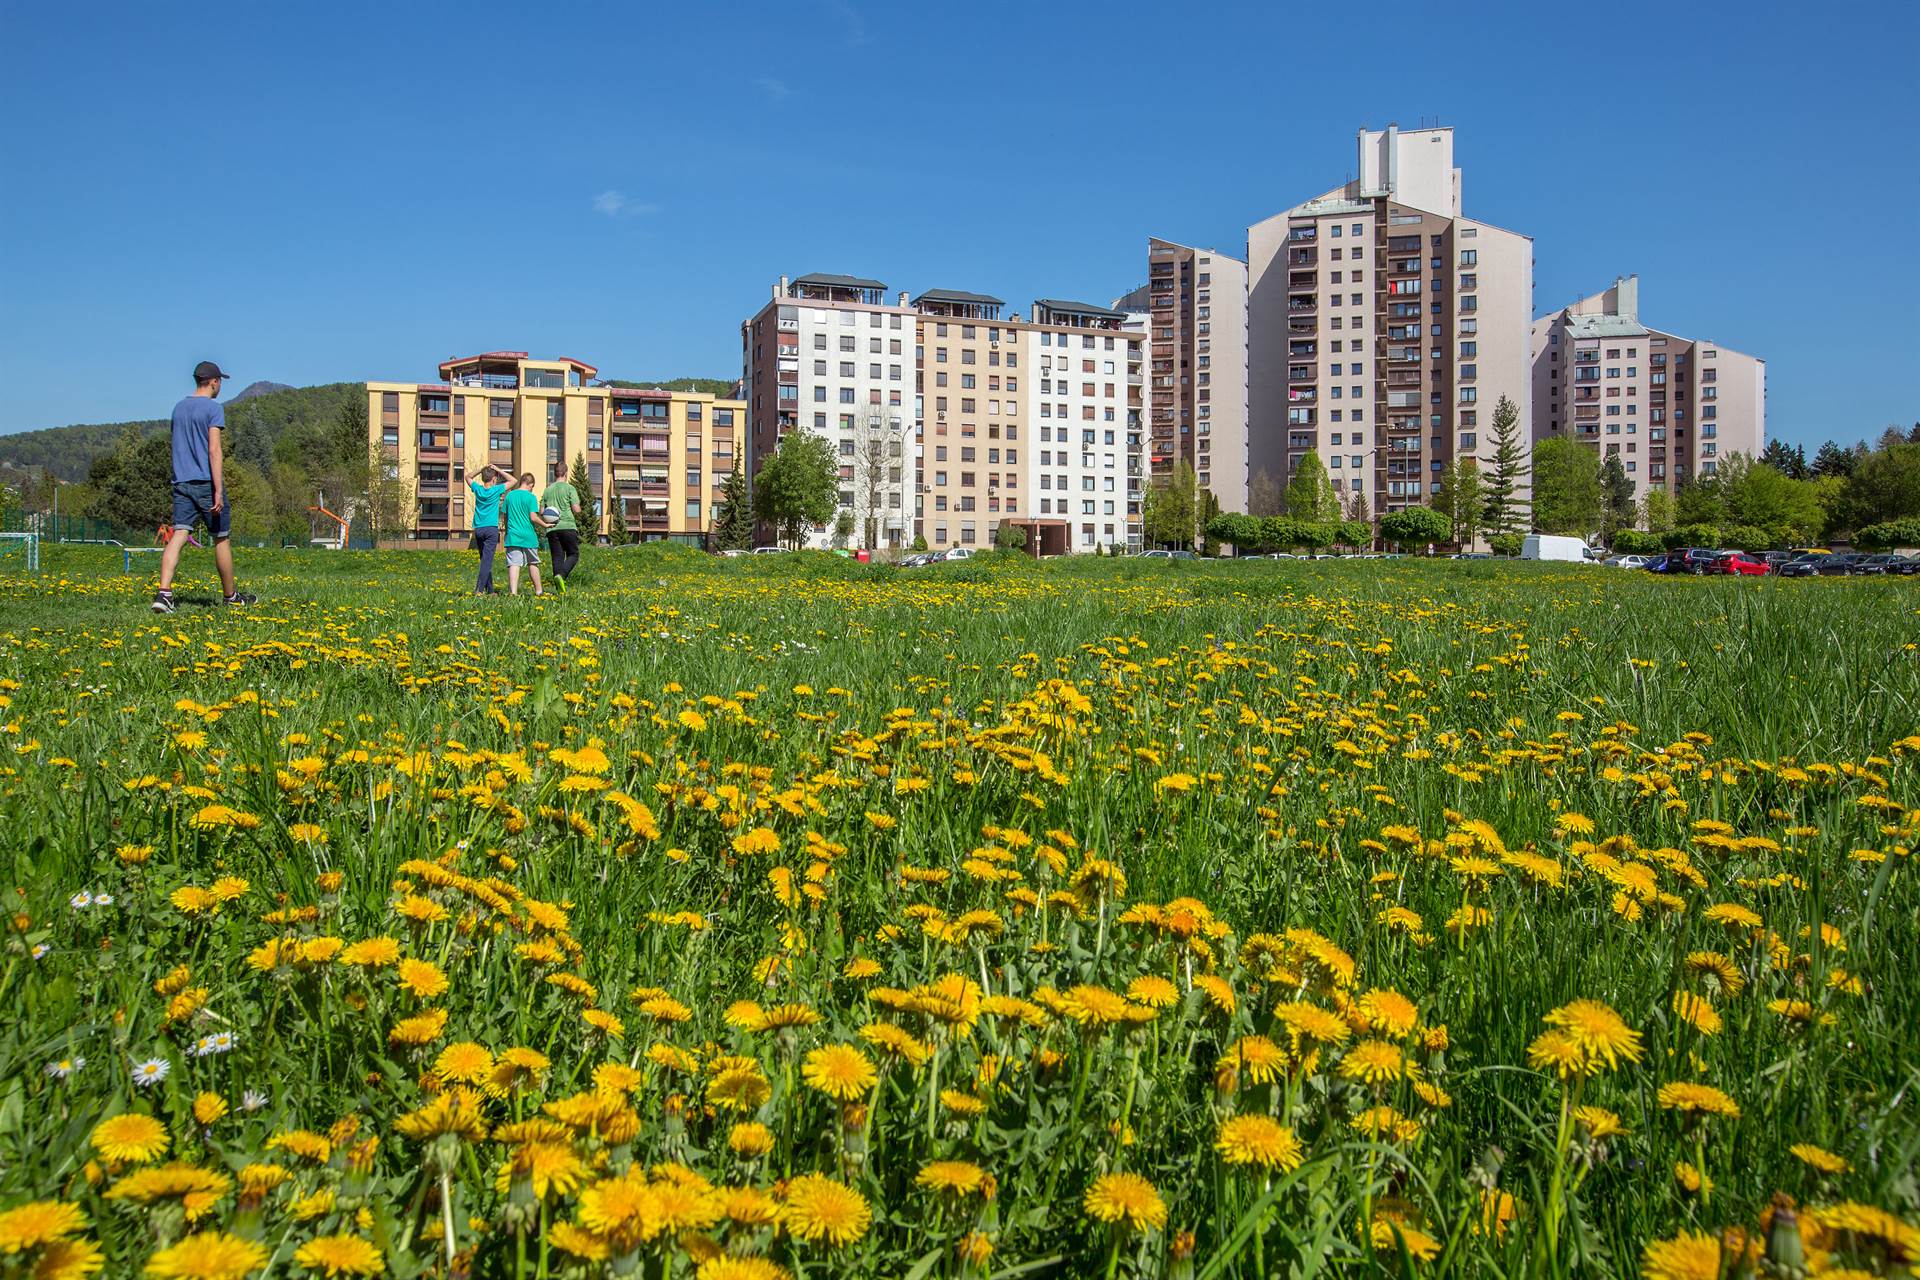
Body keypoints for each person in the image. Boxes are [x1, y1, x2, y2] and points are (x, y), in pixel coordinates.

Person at [152, 361, 255, 613]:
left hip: (181, 481)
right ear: (214, 382)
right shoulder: (213, 409)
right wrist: (218, 489)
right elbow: (214, 450)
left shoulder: (179, 408)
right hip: (206, 482)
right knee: (221, 539)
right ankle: (231, 597)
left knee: (178, 535)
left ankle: (164, 594)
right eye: (220, 381)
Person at [502, 472, 552, 596]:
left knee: (514, 563)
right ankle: (539, 591)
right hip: (528, 535)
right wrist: (545, 525)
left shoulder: (510, 496)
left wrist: (507, 530)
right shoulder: (531, 497)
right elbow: (533, 517)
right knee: (532, 563)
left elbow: (505, 516)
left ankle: (513, 592)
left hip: (513, 535)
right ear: (531, 484)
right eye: (532, 487)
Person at [540, 464, 583, 591]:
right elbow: (576, 509)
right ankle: (561, 575)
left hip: (552, 528)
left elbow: (541, 511)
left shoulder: (547, 490)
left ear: (555, 473)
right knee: (573, 554)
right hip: (568, 526)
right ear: (566, 474)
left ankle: (559, 590)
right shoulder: (570, 488)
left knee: (557, 557)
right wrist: (579, 507)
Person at [469, 463, 510, 594]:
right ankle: (479, 590)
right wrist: (497, 469)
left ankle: (490, 590)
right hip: (491, 529)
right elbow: (513, 480)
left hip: (479, 529)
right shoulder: (496, 490)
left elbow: (467, 476)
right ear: (494, 479)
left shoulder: (478, 489)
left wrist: (481, 469)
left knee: (484, 560)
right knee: (486, 561)